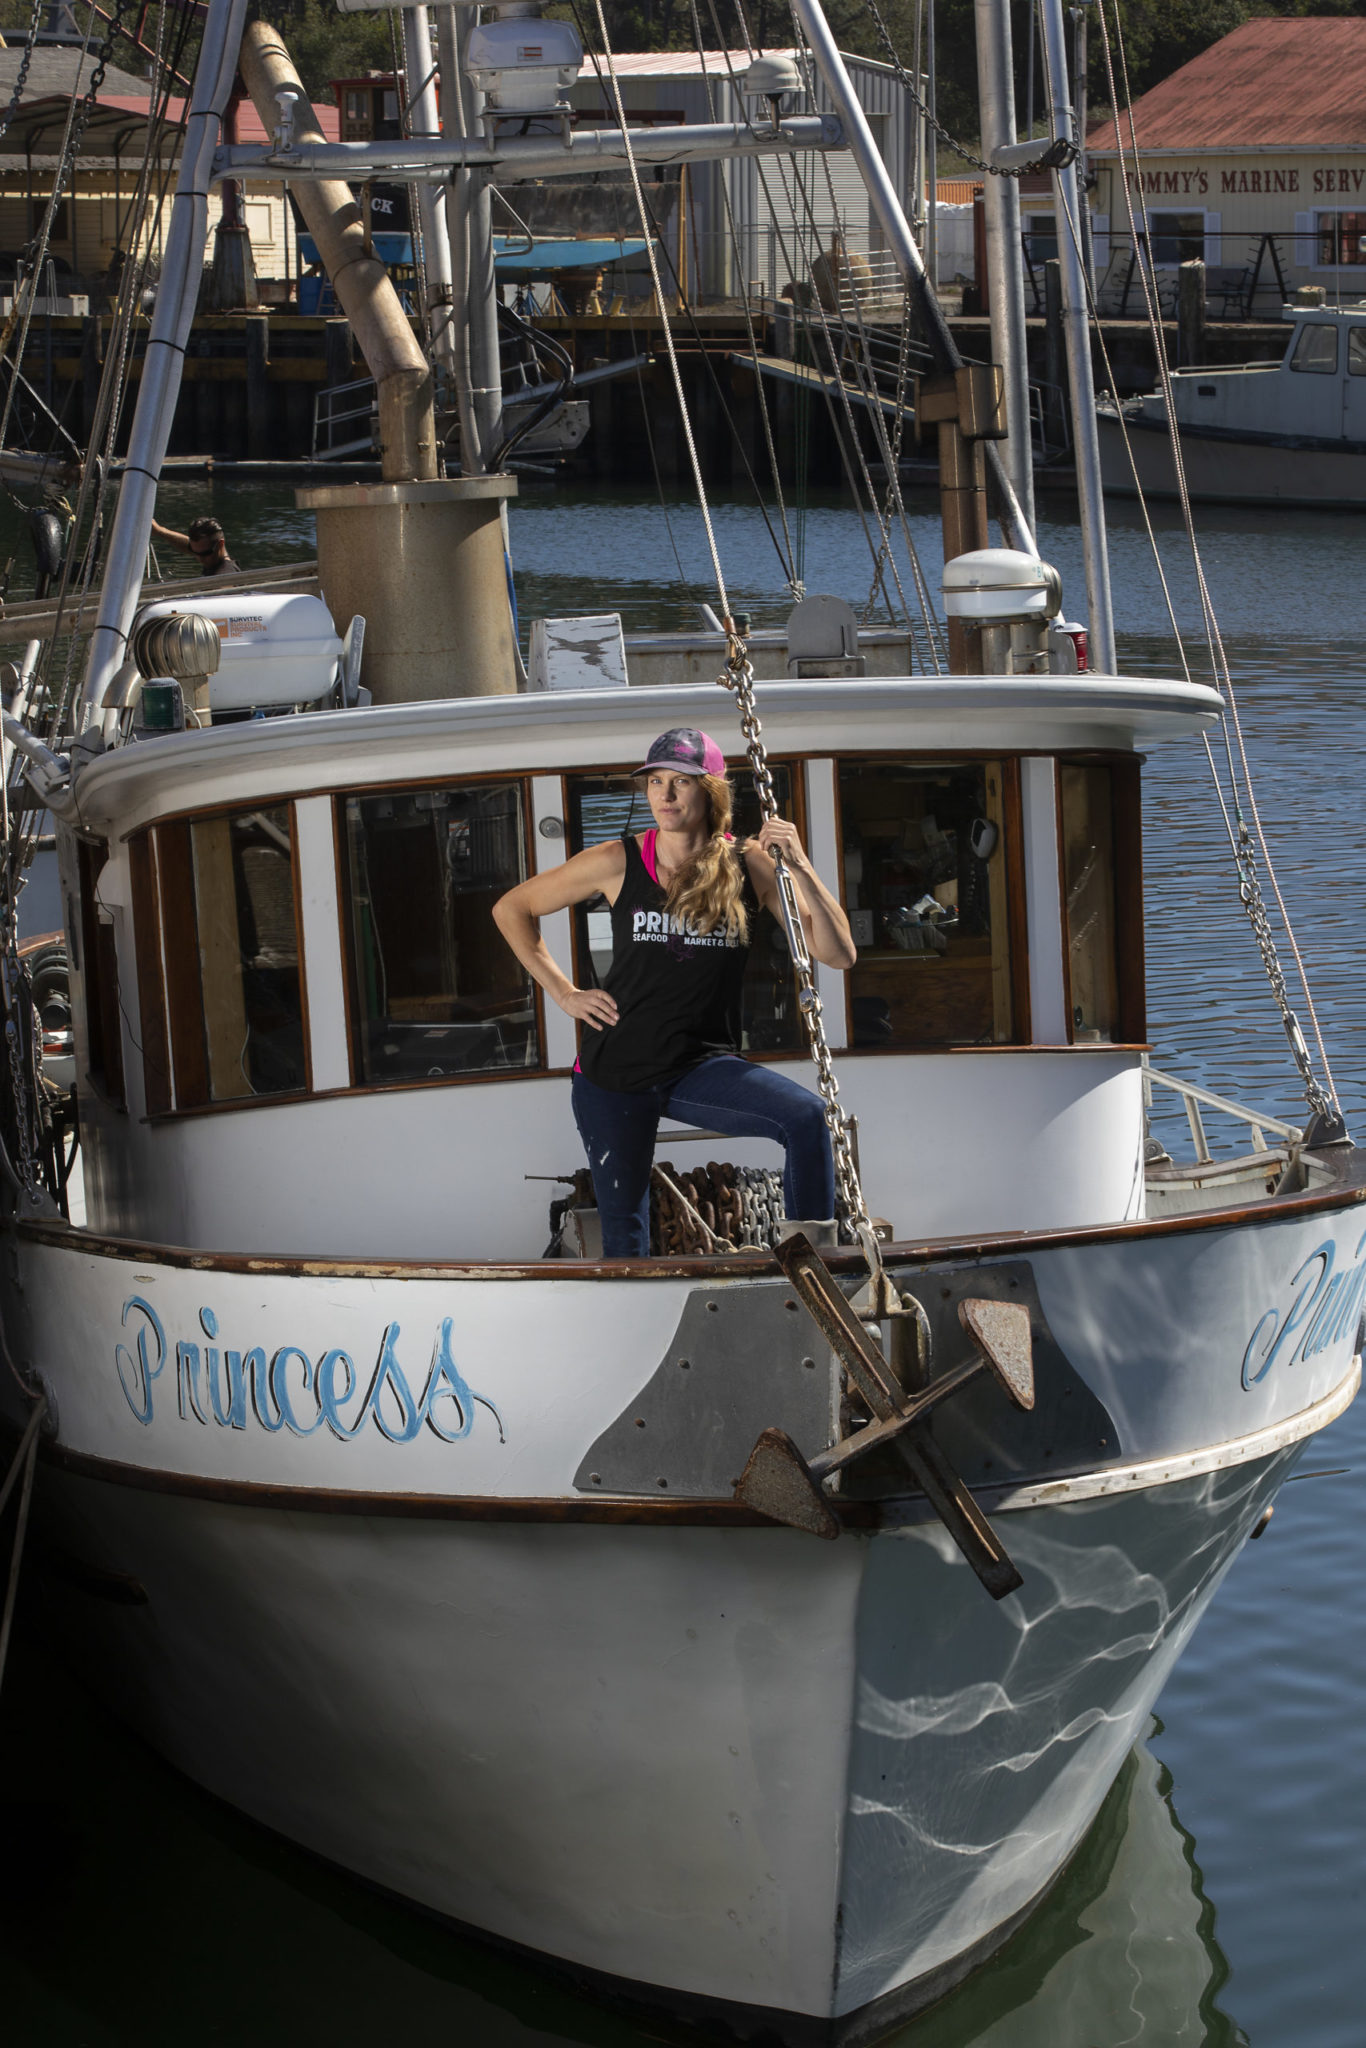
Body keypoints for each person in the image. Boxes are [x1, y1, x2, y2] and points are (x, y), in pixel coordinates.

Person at [493, 727, 858, 1257]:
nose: (663, 795)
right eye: (655, 781)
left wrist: (799, 865)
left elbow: (838, 953)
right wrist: (565, 992)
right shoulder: (618, 860)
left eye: (679, 782)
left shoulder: (748, 864)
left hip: (700, 1067)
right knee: (626, 1243)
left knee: (805, 1119)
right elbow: (511, 908)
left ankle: (810, 1267)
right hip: (613, 1074)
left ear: (708, 792)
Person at [150, 514, 238, 575]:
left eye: (204, 554)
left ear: (220, 544)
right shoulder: (210, 555)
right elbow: (189, 546)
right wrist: (159, 531)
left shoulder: (226, 574)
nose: (200, 559)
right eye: (195, 552)